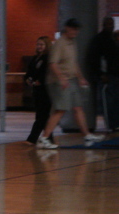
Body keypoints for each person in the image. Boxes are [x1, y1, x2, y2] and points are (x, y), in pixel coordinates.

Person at [37, 18, 105, 149]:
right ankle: (44, 138)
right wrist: (61, 78)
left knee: (78, 107)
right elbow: (53, 64)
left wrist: (80, 77)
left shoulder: (72, 42)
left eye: (77, 30)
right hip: (57, 82)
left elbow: (74, 63)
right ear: (67, 28)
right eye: (74, 29)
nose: (76, 32)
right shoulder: (60, 44)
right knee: (60, 109)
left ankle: (87, 135)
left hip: (71, 80)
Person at [87, 17, 117, 130]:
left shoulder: (112, 39)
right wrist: (100, 74)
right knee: (107, 101)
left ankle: (115, 123)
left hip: (114, 75)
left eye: (112, 24)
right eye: (108, 24)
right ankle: (110, 125)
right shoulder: (99, 39)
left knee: (115, 101)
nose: (111, 26)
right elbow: (94, 58)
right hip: (106, 76)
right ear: (104, 25)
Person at [24, 36, 53, 145]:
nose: (39, 47)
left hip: (45, 91)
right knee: (43, 116)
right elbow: (29, 72)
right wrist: (28, 80)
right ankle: (49, 138)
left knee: (42, 115)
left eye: (42, 45)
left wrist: (39, 81)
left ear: (46, 46)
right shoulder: (35, 58)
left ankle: (32, 139)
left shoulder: (47, 59)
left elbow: (45, 73)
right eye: (38, 44)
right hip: (37, 90)